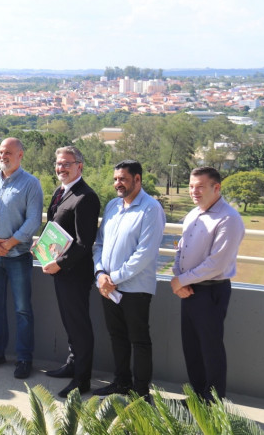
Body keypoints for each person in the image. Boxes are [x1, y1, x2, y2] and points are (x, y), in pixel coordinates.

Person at [171, 166, 245, 401]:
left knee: (210, 351)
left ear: (216, 187)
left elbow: (216, 264)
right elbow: (180, 249)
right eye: (191, 186)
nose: (194, 191)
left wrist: (180, 280)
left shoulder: (229, 218)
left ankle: (213, 405)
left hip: (211, 292)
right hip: (189, 291)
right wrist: (178, 278)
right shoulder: (193, 214)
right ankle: (197, 399)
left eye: (200, 186)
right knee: (191, 349)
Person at [92, 160, 165, 398]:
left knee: (139, 341)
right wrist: (100, 274)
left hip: (135, 289)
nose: (117, 183)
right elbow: (100, 244)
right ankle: (121, 383)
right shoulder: (113, 206)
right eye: (115, 179)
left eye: (122, 179)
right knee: (117, 337)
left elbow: (145, 253)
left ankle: (141, 393)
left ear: (137, 179)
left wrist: (114, 277)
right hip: (108, 288)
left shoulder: (151, 209)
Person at [0, 137, 43, 379]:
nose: (3, 156)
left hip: (18, 256)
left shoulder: (31, 184)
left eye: (8, 152)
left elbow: (33, 220)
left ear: (20, 155)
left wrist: (10, 242)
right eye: (1, 152)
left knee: (23, 310)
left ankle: (24, 358)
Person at [40, 146, 100, 397]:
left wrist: (60, 264)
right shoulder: (60, 191)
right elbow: (55, 228)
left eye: (67, 163)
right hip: (60, 271)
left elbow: (84, 244)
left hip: (74, 273)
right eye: (58, 163)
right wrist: (40, 242)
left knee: (79, 326)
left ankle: (82, 380)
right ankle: (72, 365)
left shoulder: (86, 197)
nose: (61, 168)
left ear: (79, 166)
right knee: (69, 323)